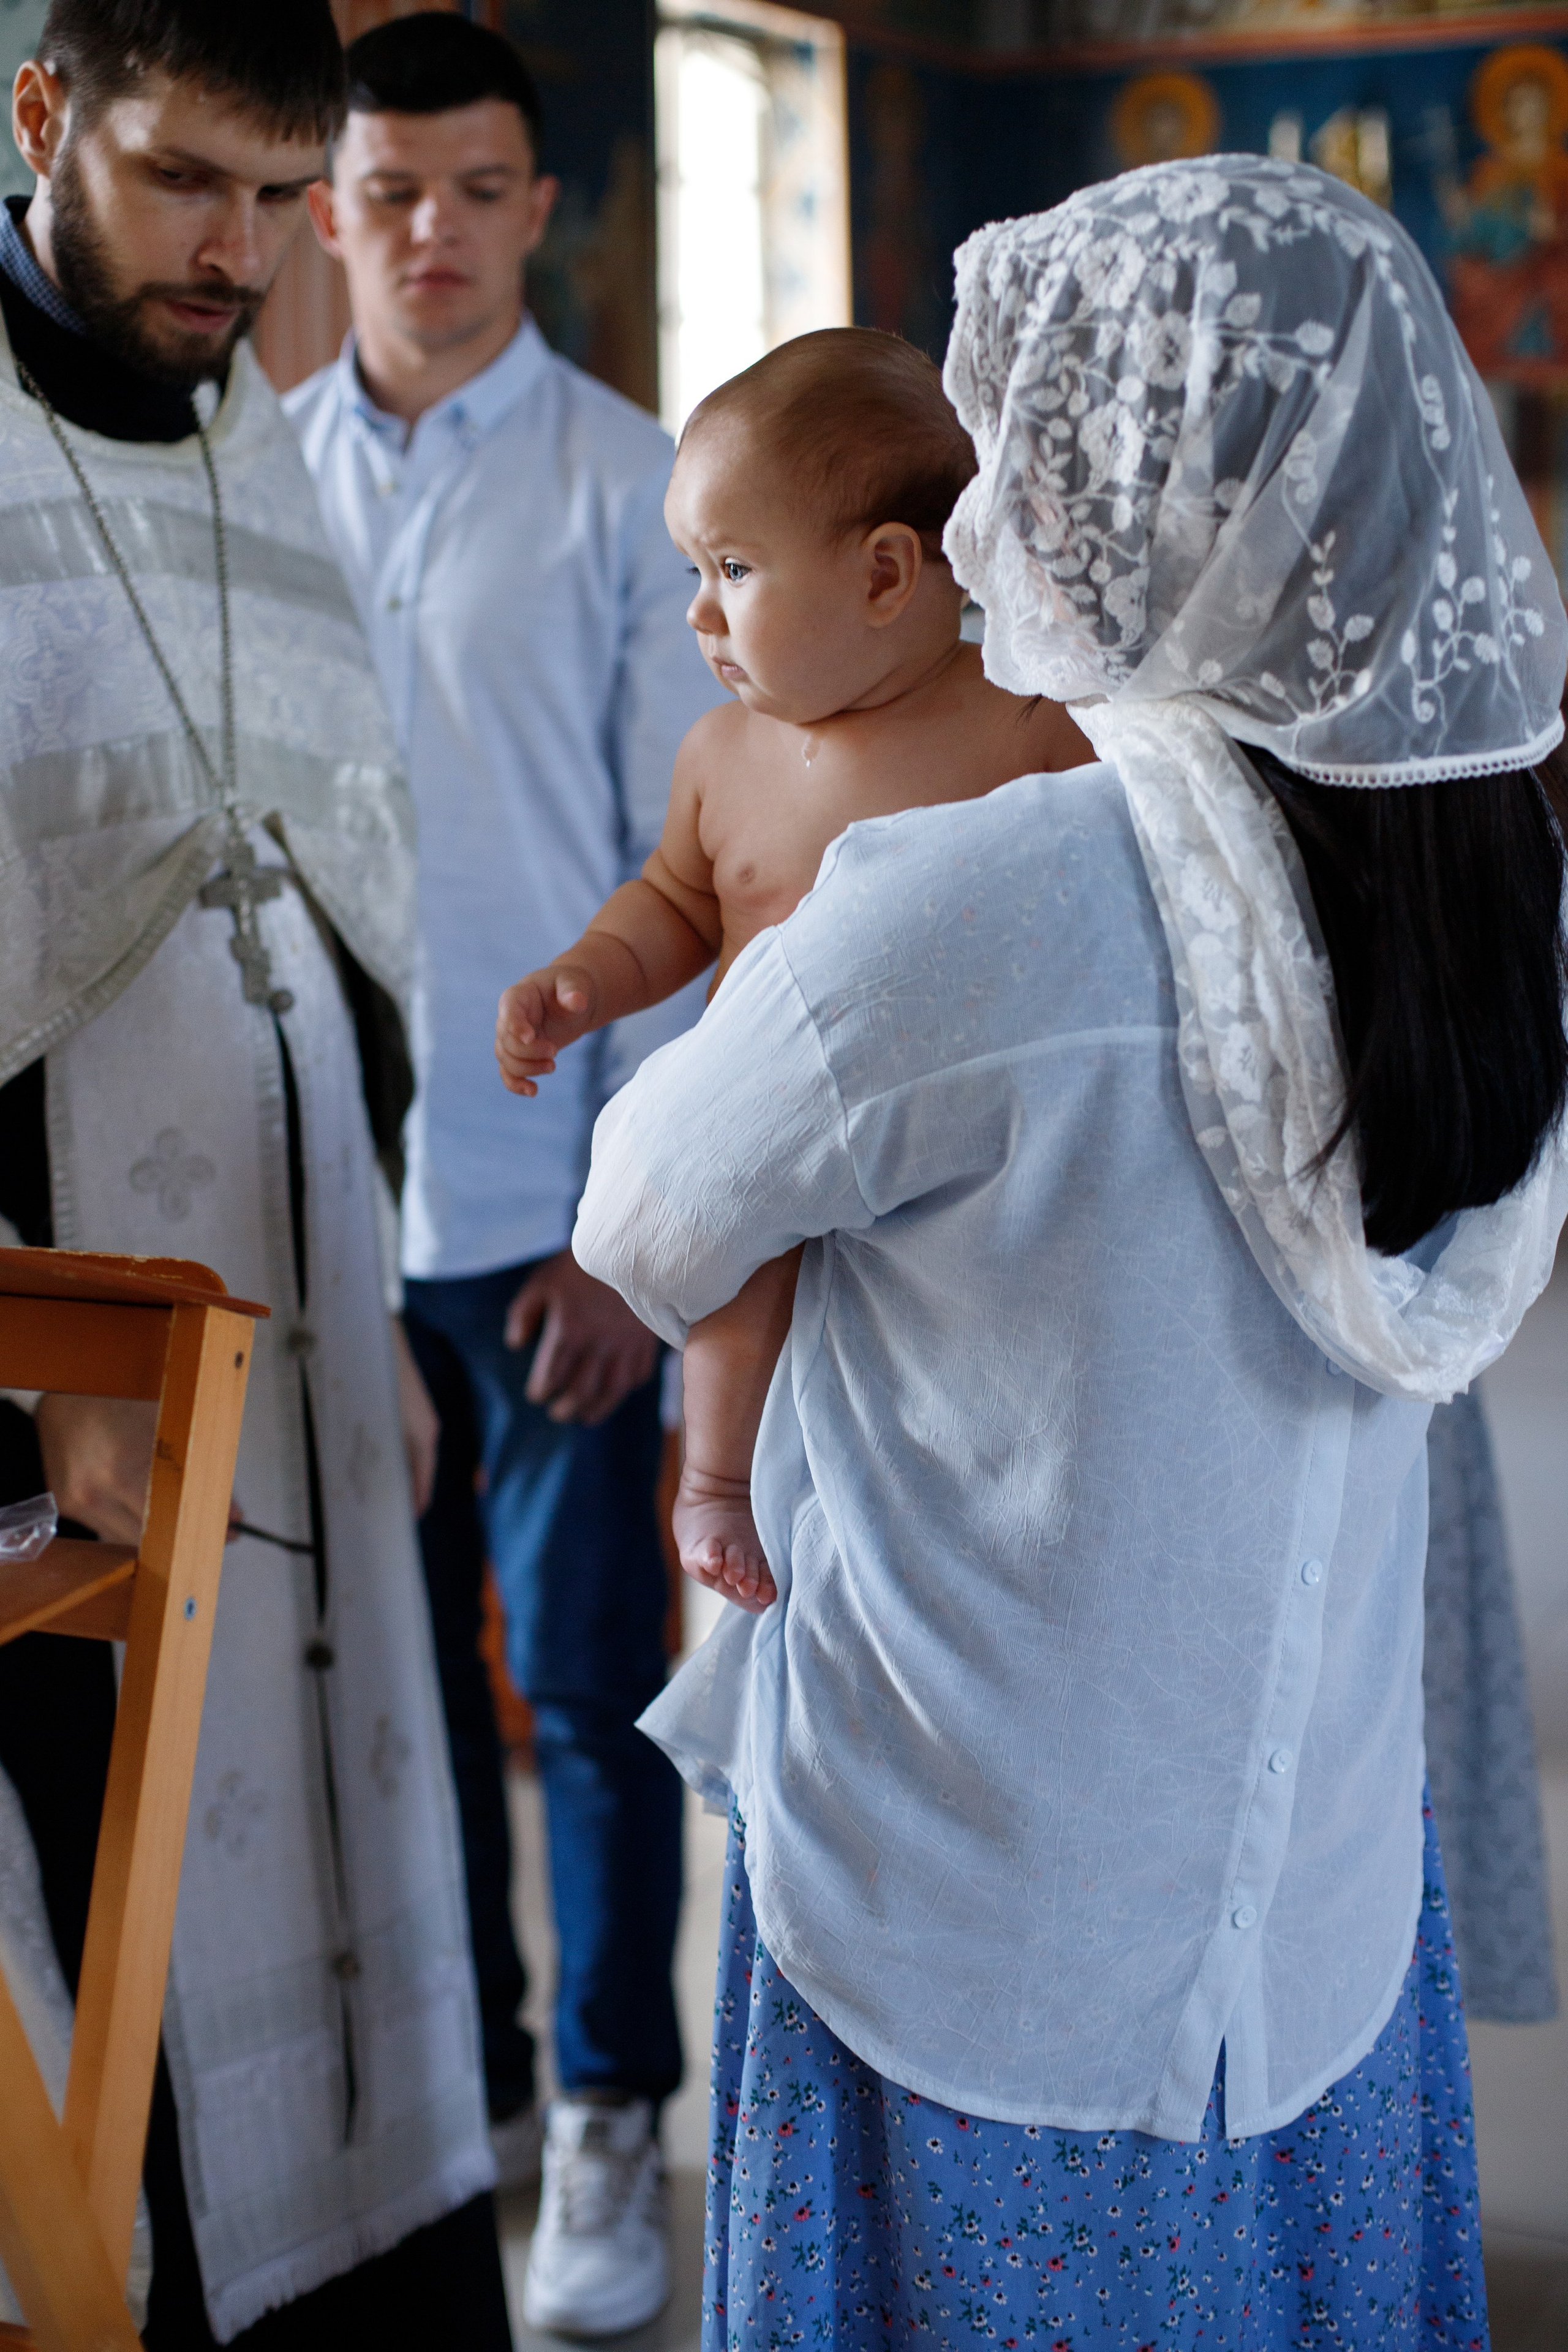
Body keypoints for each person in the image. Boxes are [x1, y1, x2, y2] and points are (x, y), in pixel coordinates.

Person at [573, 157, 1568, 2346]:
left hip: (983, 1885)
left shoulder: (989, 897)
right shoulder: (1484, 886)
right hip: (1308, 1870)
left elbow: (649, 1207)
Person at [0, 4, 510, 2345]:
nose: (243, 253)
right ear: (42, 116)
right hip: (71, 1378)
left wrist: (375, 1308)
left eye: (282, 198)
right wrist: (39, 1364)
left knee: (361, 1843)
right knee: (129, 1919)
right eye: (184, 180)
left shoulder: (242, 432)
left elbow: (348, 894)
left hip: (300, 1322)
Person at [286, 13, 724, 2334]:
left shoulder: (633, 489)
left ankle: (614, 2114)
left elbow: (694, 881)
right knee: (387, 1698)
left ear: (540, 207)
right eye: (390, 192)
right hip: (318, 1223)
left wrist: (639, 1242)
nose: (432, 233)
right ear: (327, 209)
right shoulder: (250, 475)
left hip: (551, 1219)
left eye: (477, 190)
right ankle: (469, 2105)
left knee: (584, 1685)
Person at [497, 329, 1090, 1608]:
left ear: (886, 573)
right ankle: (715, 1483)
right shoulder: (722, 754)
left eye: (734, 567)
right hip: (770, 1127)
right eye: (693, 570)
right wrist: (586, 980)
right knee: (740, 1274)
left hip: (957, 1149)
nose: (699, 611)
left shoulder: (1024, 724)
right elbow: (673, 906)